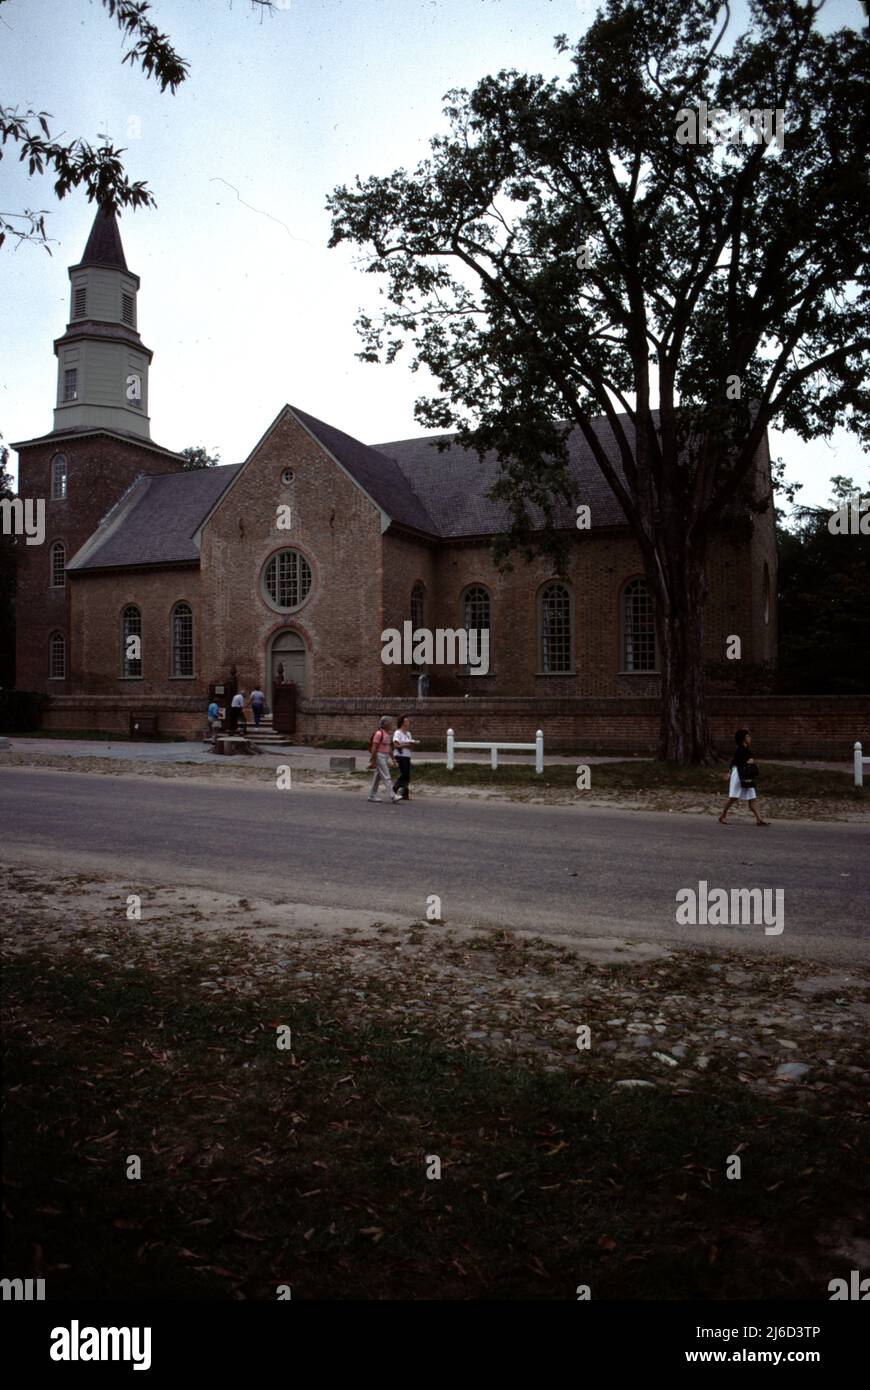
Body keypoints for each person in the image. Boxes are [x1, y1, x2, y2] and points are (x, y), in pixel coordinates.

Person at [719, 728, 770, 826]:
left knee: (752, 798)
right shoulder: (740, 749)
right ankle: (722, 816)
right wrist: (747, 762)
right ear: (743, 739)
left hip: (746, 775)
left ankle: (759, 819)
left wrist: (750, 761)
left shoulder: (745, 749)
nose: (750, 738)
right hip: (739, 775)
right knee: (733, 797)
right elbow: (735, 762)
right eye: (747, 736)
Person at [368, 716, 398, 802]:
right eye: (390, 723)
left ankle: (372, 795)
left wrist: (393, 758)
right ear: (385, 724)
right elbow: (374, 747)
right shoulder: (379, 733)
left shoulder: (387, 734)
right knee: (386, 775)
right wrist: (373, 759)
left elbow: (389, 748)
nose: (392, 724)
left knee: (377, 777)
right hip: (379, 756)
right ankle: (393, 795)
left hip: (385, 756)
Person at [392, 715, 418, 801]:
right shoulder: (398, 733)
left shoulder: (408, 734)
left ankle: (405, 793)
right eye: (406, 721)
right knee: (404, 774)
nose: (408, 723)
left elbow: (410, 746)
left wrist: (413, 745)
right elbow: (396, 745)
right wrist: (407, 745)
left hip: (407, 755)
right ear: (402, 723)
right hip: (400, 756)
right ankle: (394, 789)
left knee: (407, 775)